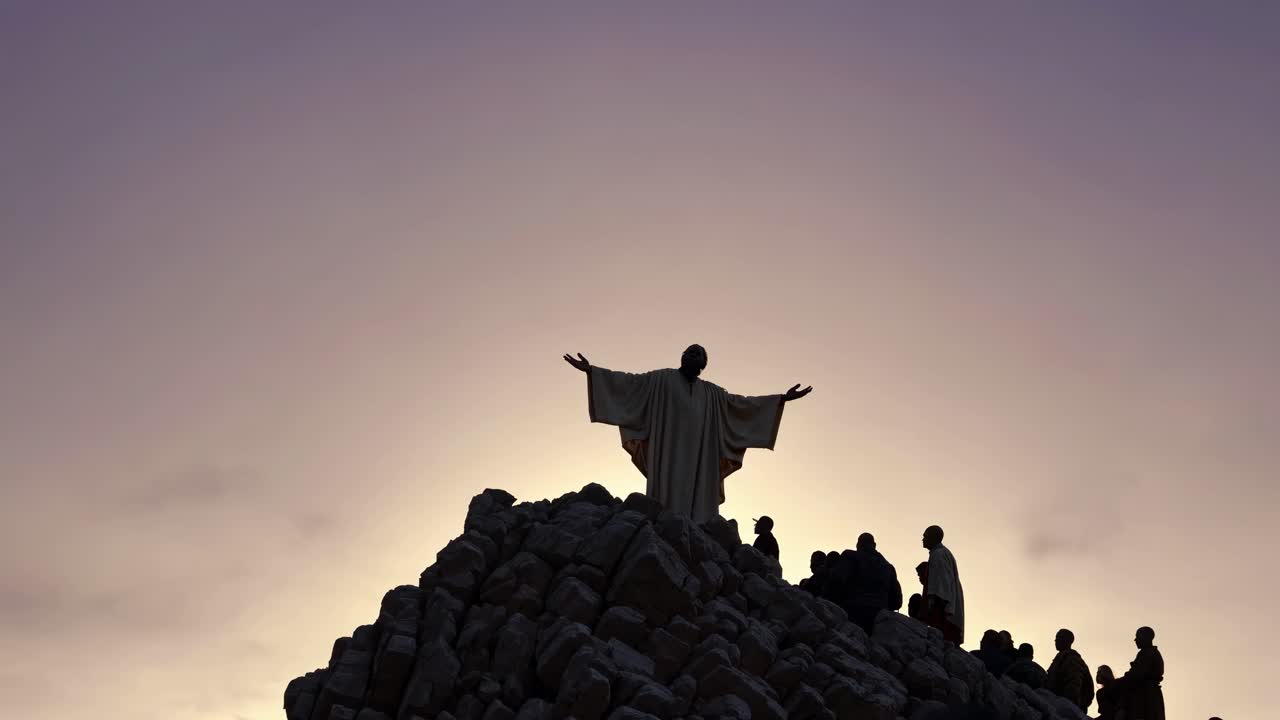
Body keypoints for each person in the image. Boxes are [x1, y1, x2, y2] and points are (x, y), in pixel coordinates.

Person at [565, 346, 811, 523]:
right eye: (688, 352)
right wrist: (593, 372)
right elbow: (630, 384)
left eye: (697, 354)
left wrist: (781, 399)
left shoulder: (713, 394)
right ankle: (664, 523)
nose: (691, 356)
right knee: (665, 494)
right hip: (668, 448)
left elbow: (742, 405)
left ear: (703, 365)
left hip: (700, 456)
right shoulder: (661, 379)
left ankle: (698, 526)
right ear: (681, 357)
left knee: (698, 494)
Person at [843, 533, 904, 632]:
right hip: (879, 621)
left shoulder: (850, 557)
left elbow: (835, 582)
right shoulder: (888, 568)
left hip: (851, 616)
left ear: (858, 545)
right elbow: (897, 602)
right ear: (874, 545)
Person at [921, 525, 965, 645]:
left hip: (941, 610)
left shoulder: (939, 555)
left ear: (934, 537)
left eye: (925, 536)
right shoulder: (942, 553)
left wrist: (932, 603)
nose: (922, 539)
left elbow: (942, 585)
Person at [1116, 626, 1164, 720]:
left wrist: (1117, 682)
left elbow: (1135, 676)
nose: (1135, 639)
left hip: (1146, 699)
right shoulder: (1149, 653)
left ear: (1145, 637)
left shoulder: (1148, 654)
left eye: (1137, 636)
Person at [1046, 628, 1094, 712]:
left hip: (1068, 708)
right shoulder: (1061, 658)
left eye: (1058, 637)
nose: (1055, 640)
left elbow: (1074, 684)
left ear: (1066, 640)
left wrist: (1068, 706)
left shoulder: (1071, 659)